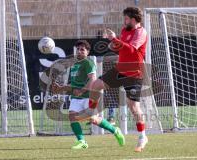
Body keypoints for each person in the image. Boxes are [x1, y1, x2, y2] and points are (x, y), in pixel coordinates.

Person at [88, 7, 148, 152]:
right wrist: (112, 42)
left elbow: (131, 49)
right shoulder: (124, 30)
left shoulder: (141, 32)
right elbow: (120, 48)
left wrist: (115, 40)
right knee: (95, 85)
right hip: (120, 70)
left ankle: (142, 136)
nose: (124, 20)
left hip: (134, 73)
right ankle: (92, 114)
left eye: (126, 18)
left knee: (133, 107)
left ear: (133, 19)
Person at [52, 40, 125, 149]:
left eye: (82, 49)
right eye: (78, 49)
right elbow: (73, 84)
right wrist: (61, 88)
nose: (79, 51)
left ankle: (115, 130)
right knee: (72, 116)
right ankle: (82, 142)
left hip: (88, 96)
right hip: (76, 97)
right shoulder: (74, 65)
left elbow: (92, 80)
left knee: (92, 119)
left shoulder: (88, 63)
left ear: (87, 52)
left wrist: (82, 90)